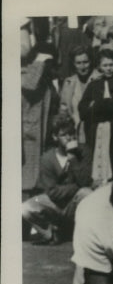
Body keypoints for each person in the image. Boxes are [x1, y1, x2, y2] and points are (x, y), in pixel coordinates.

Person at [22, 116, 94, 244]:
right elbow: (52, 192)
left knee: (87, 193)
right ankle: (49, 234)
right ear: (55, 137)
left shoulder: (84, 152)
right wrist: (75, 186)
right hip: (54, 204)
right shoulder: (47, 158)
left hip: (74, 203)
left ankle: (82, 234)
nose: (69, 138)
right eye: (64, 135)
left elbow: (85, 182)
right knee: (25, 208)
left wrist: (73, 159)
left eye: (72, 133)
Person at [79, 47, 113, 187]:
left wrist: (95, 105)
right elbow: (82, 109)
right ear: (99, 67)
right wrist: (104, 105)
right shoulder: (93, 84)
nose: (108, 69)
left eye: (111, 65)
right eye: (105, 65)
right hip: (96, 130)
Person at [22, 43, 59, 193]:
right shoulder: (30, 76)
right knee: (29, 175)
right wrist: (39, 62)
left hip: (47, 132)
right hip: (31, 132)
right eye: (47, 62)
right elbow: (29, 85)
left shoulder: (47, 82)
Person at [60, 46, 95, 146]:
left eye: (85, 62)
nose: (82, 66)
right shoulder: (68, 82)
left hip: (95, 133)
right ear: (73, 64)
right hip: (75, 135)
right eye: (78, 63)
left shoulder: (99, 78)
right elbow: (63, 111)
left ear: (91, 62)